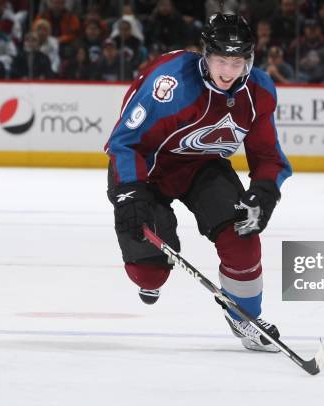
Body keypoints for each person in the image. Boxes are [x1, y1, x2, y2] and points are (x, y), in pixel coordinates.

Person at [105, 13, 291, 352]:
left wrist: (265, 191)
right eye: (221, 60)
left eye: (237, 62)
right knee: (149, 273)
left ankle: (246, 317)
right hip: (148, 170)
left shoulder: (258, 91)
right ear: (206, 55)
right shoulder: (170, 84)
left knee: (242, 231)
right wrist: (129, 194)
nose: (228, 72)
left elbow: (267, 155)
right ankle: (149, 269)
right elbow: (124, 142)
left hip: (202, 165)